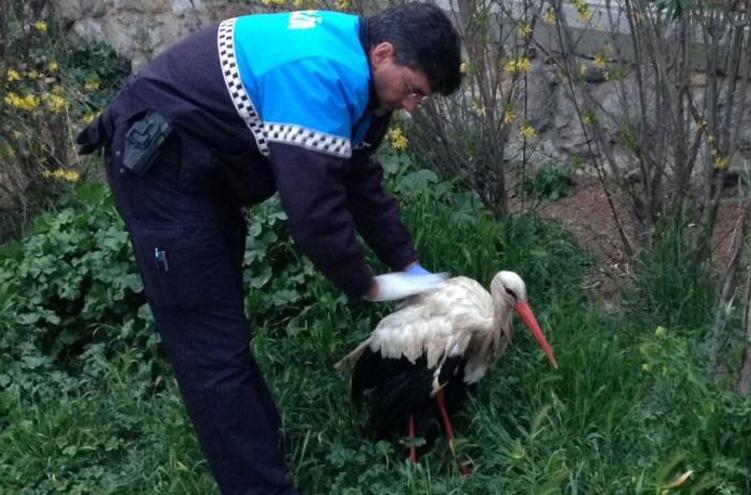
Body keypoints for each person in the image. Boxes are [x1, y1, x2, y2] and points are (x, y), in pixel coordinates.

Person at [76, 3, 462, 493]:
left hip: (205, 169)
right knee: (209, 348)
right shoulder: (318, 74)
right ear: (384, 53)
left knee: (224, 333)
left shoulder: (359, 66)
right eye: (412, 89)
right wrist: (366, 284)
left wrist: (409, 265)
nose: (411, 105)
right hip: (163, 170)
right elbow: (314, 211)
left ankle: (263, 451)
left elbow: (357, 177)